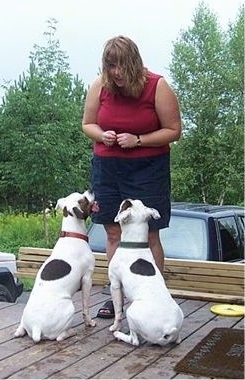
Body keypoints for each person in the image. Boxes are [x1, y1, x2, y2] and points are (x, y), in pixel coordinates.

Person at [82, 36, 182, 318]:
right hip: (107, 168)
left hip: (148, 169)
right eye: (110, 66)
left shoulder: (157, 86)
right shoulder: (99, 86)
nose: (115, 72)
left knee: (149, 235)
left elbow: (174, 130)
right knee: (113, 233)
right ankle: (118, 300)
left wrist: (138, 140)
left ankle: (154, 297)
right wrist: (103, 135)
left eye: (121, 66)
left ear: (135, 62)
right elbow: (87, 124)